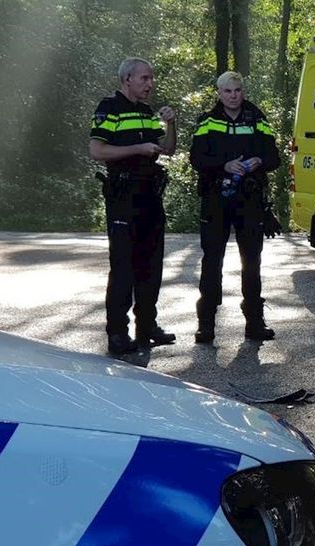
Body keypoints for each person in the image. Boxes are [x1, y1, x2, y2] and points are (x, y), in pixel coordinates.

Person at [88, 57, 178, 354]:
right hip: (123, 196)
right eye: (145, 78)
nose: (150, 83)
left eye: (151, 78)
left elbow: (168, 149)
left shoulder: (146, 111)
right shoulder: (109, 107)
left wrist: (170, 123)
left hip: (150, 194)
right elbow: (97, 150)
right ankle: (117, 333)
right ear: (127, 78)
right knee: (123, 267)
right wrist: (137, 148)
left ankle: (147, 326)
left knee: (151, 265)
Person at [189, 71, 282, 344]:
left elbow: (273, 157)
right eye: (228, 91)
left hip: (249, 200)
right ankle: (206, 323)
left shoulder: (257, 118)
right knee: (211, 261)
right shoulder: (207, 121)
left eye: (238, 90)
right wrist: (223, 165)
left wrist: (257, 162)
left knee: (251, 262)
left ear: (243, 91)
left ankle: (254, 321)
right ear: (219, 93)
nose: (233, 96)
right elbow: (196, 157)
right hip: (216, 198)